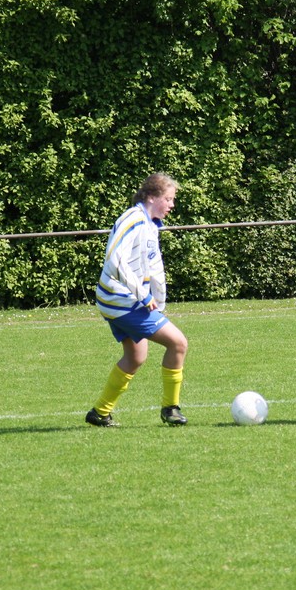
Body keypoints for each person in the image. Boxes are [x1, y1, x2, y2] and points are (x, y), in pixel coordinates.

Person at [86, 173, 189, 427]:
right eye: (169, 199)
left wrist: (158, 302)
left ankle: (99, 413)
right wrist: (143, 296)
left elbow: (154, 267)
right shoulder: (132, 219)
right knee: (178, 343)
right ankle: (171, 408)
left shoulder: (150, 224)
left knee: (136, 356)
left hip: (121, 300)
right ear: (151, 197)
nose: (172, 205)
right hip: (121, 300)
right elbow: (115, 259)